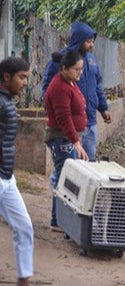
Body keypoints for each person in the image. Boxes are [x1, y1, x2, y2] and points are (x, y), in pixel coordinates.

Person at [42, 21, 112, 162]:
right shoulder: (62, 60)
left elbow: (97, 84)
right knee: (69, 166)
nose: (91, 45)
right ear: (79, 41)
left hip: (90, 120)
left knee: (89, 161)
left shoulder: (91, 60)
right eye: (88, 41)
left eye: (92, 41)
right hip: (68, 126)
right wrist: (51, 111)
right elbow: (48, 87)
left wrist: (103, 108)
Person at [44, 51, 89, 232]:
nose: (80, 73)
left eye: (81, 69)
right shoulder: (59, 88)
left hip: (69, 138)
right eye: (76, 69)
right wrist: (76, 142)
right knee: (64, 180)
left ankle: (62, 218)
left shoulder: (70, 82)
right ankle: (57, 220)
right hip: (62, 139)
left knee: (64, 177)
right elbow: (64, 119)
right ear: (64, 69)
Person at [0, 57, 34, 286]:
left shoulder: (7, 101)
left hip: (6, 178)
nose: (24, 83)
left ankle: (24, 280)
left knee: (24, 227)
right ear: (6, 77)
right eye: (21, 78)